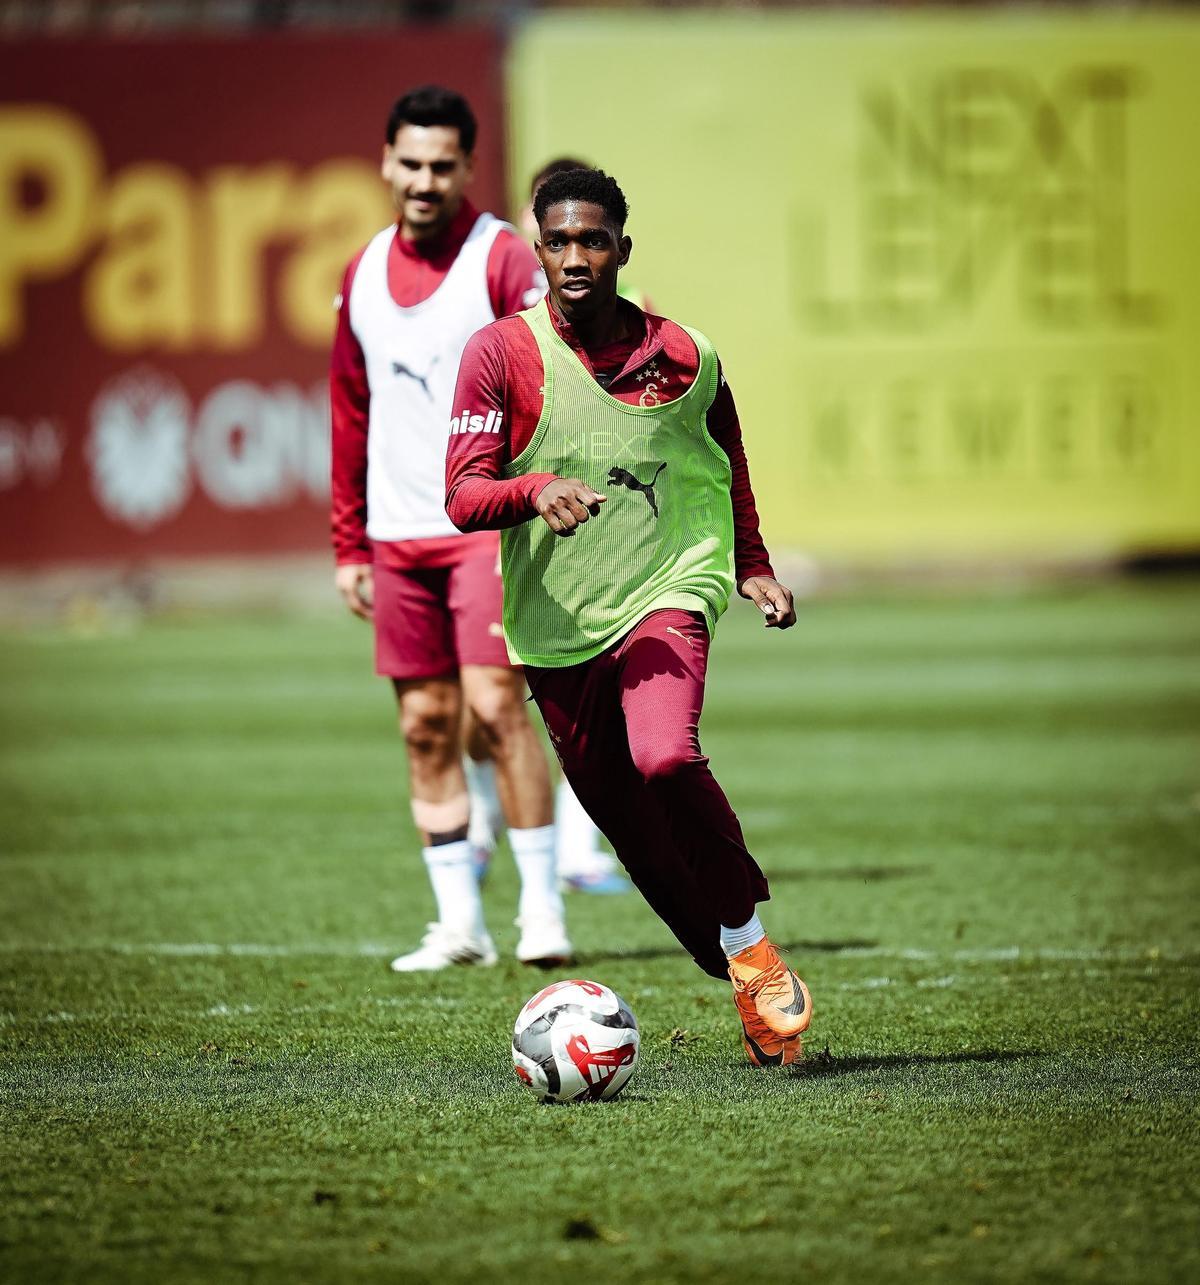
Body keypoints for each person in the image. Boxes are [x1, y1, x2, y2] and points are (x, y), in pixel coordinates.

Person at [444, 168, 813, 1066]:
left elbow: (724, 457)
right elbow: (463, 495)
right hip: (557, 623)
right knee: (632, 828)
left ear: (623, 249)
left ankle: (750, 942)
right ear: (539, 248)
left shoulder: (685, 355)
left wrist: (751, 563)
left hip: (669, 586)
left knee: (665, 754)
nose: (576, 257)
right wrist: (535, 490)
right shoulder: (500, 354)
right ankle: (736, 954)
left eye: (594, 240)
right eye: (560, 241)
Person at [330, 85, 571, 973]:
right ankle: (458, 923)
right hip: (396, 538)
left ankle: (542, 910)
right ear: (387, 162)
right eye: (411, 163)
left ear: (469, 167)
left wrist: (539, 484)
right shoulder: (359, 272)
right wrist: (349, 543)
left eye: (444, 165)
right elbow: (350, 412)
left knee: (496, 706)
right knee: (425, 725)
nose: (425, 180)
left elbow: (558, 362)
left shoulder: (501, 260)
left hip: (483, 526)